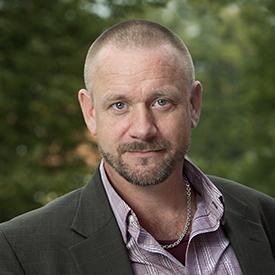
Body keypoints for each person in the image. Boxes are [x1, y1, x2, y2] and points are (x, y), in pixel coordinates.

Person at [0, 19, 274, 275]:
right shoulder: (18, 251)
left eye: (161, 102)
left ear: (194, 105)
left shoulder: (267, 219)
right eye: (119, 105)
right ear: (90, 112)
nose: (143, 129)